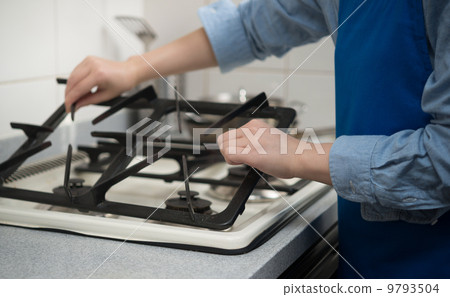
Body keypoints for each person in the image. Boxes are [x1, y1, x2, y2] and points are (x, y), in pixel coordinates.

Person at [64, 0, 450, 278]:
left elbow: (444, 157)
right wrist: (133, 67)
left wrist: (297, 156)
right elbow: (254, 24)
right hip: (364, 251)